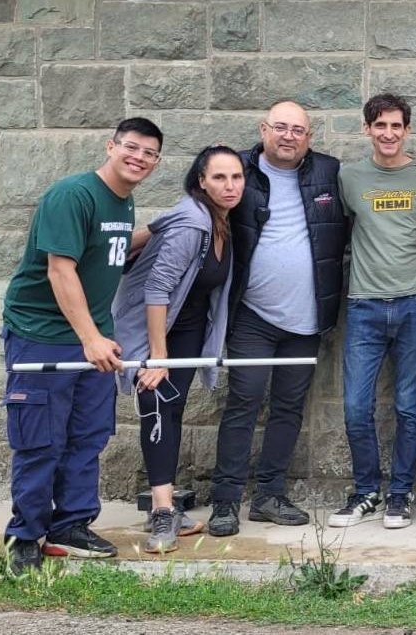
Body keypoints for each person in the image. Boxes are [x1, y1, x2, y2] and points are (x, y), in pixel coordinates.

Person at [0, 117, 163, 574]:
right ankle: (24, 536)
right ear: (110, 146)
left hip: (95, 338)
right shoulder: (72, 195)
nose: (139, 158)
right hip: (43, 335)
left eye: (149, 153)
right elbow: (60, 269)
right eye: (131, 147)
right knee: (41, 441)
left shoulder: (122, 201)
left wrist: (156, 231)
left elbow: (105, 251)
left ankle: (70, 525)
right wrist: (89, 338)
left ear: (156, 162)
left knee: (87, 436)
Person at [206, 101, 347, 537]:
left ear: (310, 137)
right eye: (280, 127)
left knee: (288, 408)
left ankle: (269, 496)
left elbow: (374, 186)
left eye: (298, 130)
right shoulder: (239, 171)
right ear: (263, 129)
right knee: (243, 402)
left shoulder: (330, 172)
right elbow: (198, 200)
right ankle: (225, 501)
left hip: (307, 319)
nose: (289, 136)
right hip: (253, 315)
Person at [112, 145, 243, 553]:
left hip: (187, 328)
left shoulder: (219, 220)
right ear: (201, 181)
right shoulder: (193, 222)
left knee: (171, 408)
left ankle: (166, 506)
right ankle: (163, 512)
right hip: (156, 328)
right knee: (157, 405)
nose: (230, 185)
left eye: (236, 177)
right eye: (219, 177)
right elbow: (157, 289)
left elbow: (158, 229)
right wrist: (158, 355)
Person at [328, 93, 416, 530]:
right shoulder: (349, 177)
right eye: (380, 126)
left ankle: (400, 494)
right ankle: (365, 492)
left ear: (407, 131)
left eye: (396, 126)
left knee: (409, 407)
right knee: (356, 406)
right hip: (364, 304)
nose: (388, 133)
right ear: (367, 129)